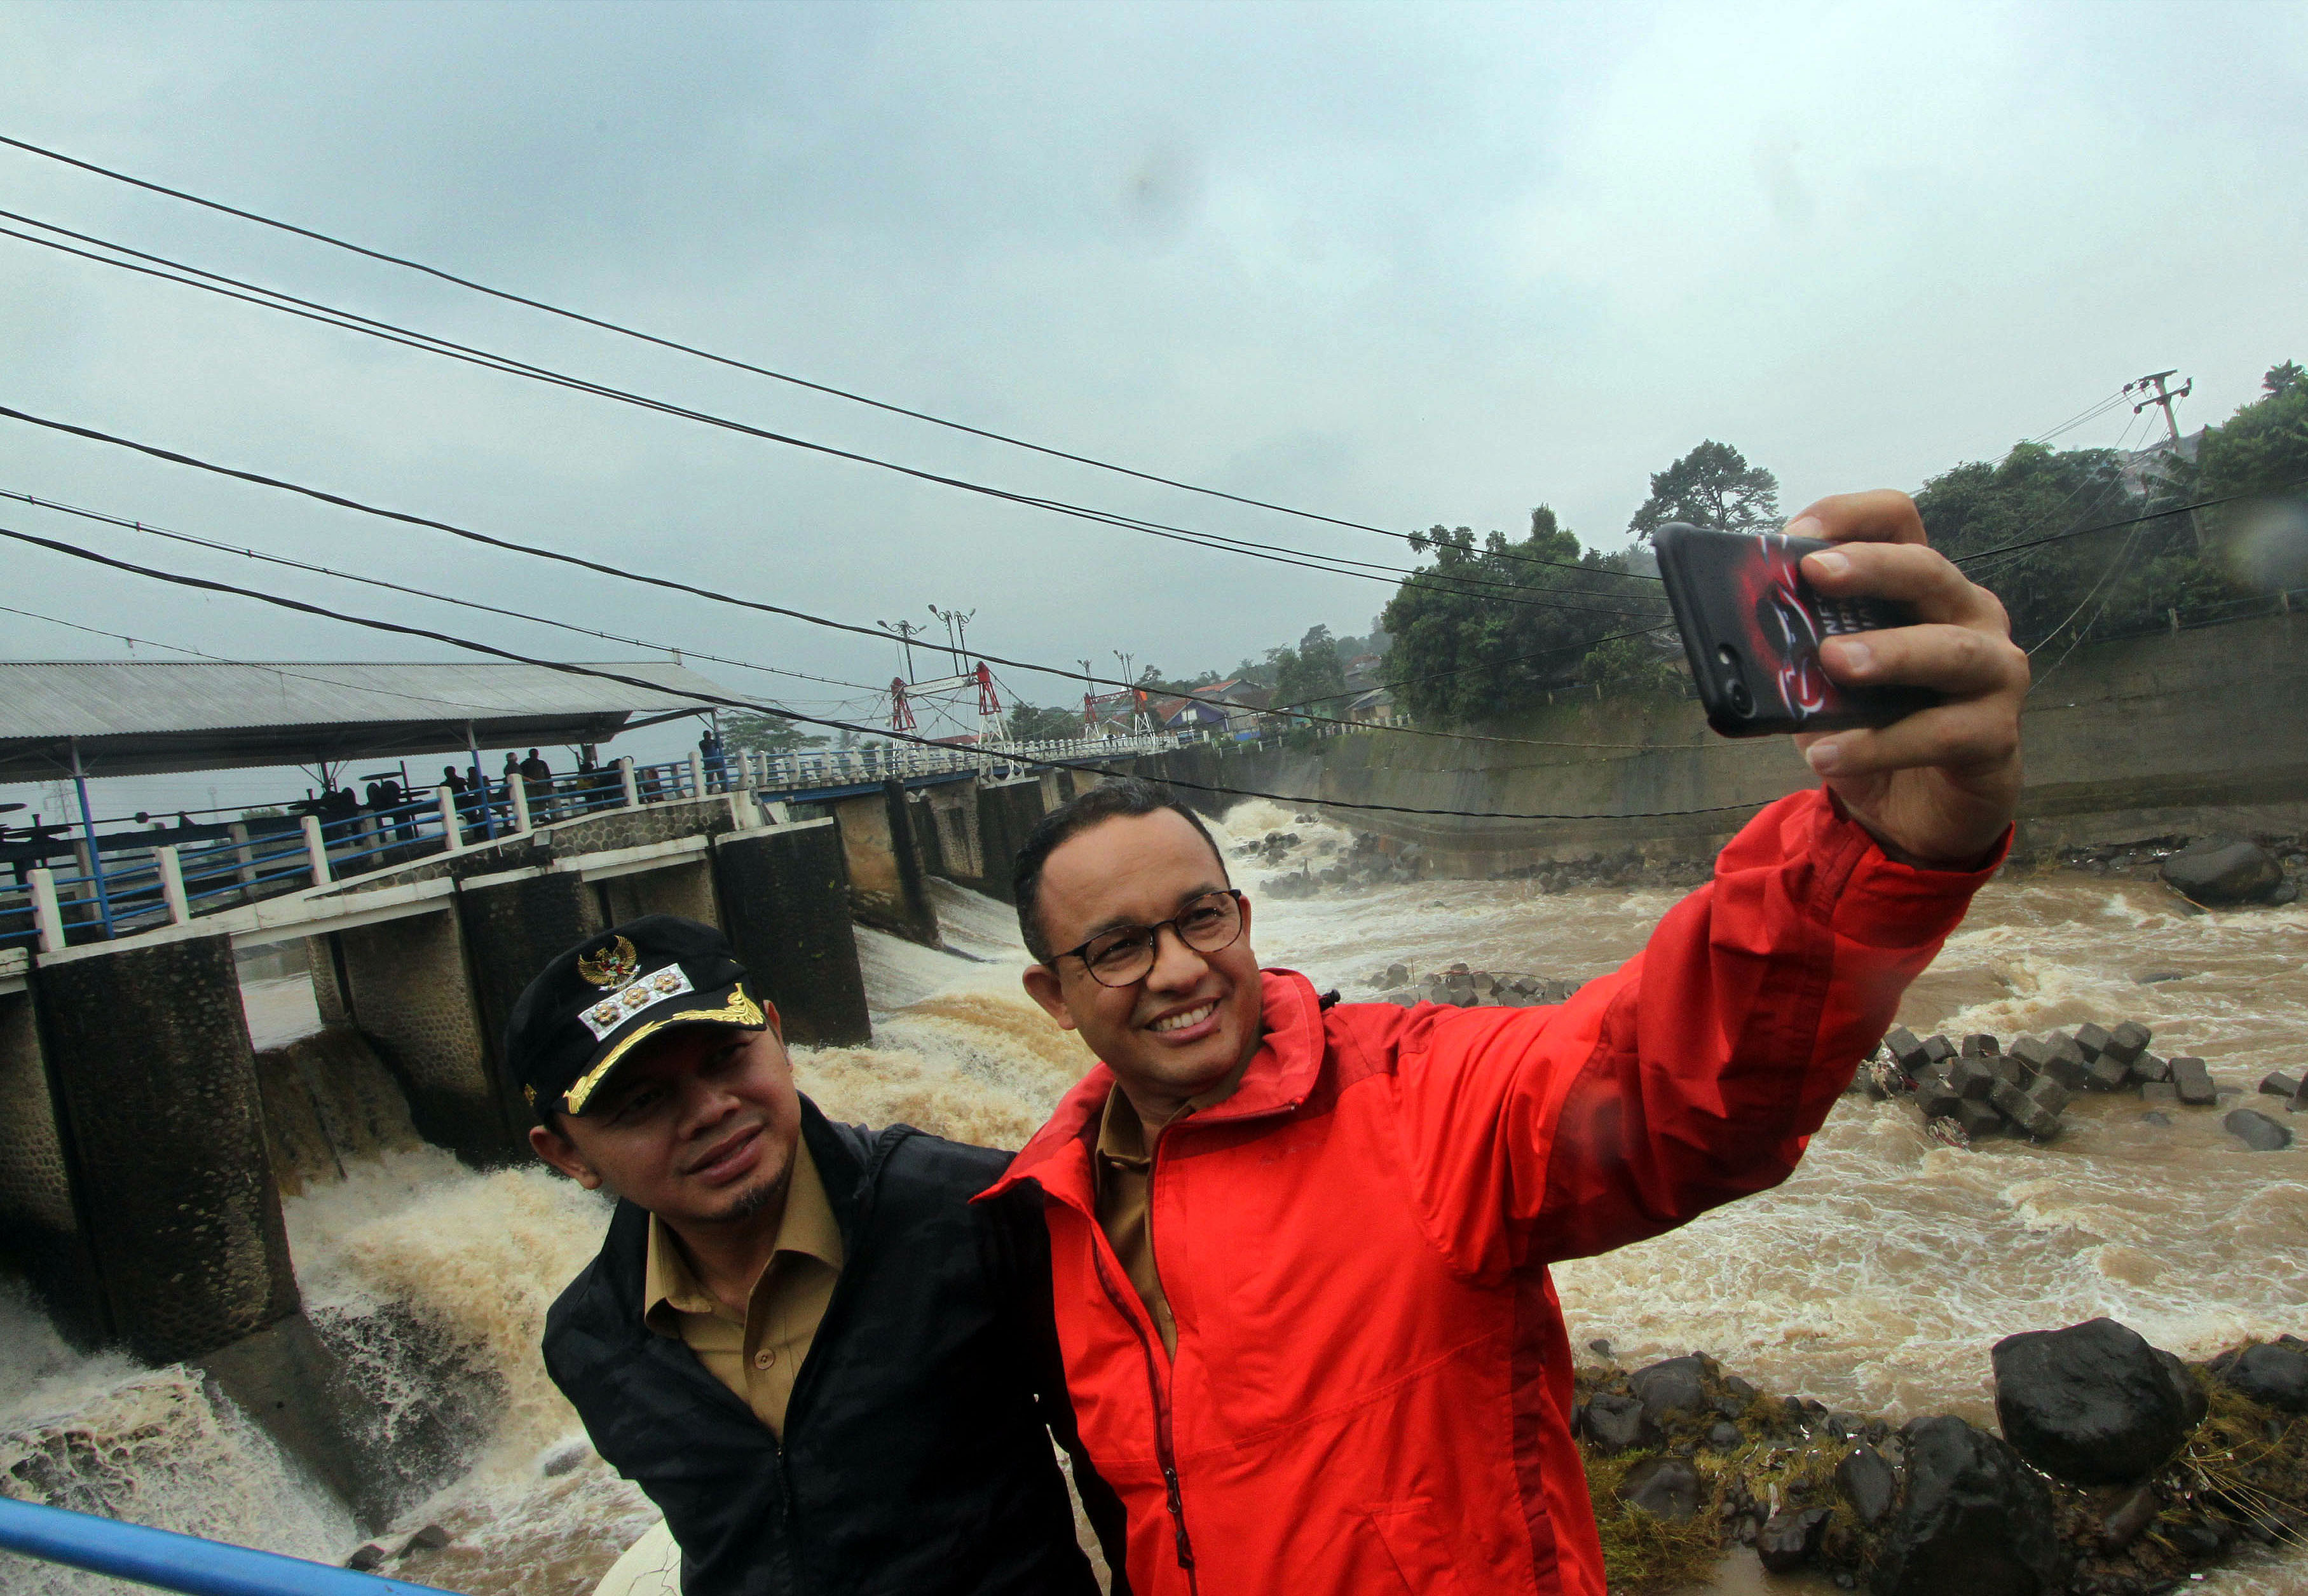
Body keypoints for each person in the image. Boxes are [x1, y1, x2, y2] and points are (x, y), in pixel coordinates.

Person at [989, 491, 2028, 1594]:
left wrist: (1873, 847)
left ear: (1240, 918)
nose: (1181, 970)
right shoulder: (1040, 1223)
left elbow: (1672, 1080)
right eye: (1117, 948)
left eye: (1202, 918)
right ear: (1052, 996)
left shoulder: (1415, 1100)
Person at [511, 915, 1119, 1596]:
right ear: (565, 1154)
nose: (711, 1109)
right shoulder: (590, 1341)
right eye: (642, 1102)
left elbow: (1126, 1469)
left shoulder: (976, 1212)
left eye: (725, 1058)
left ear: (777, 1034)